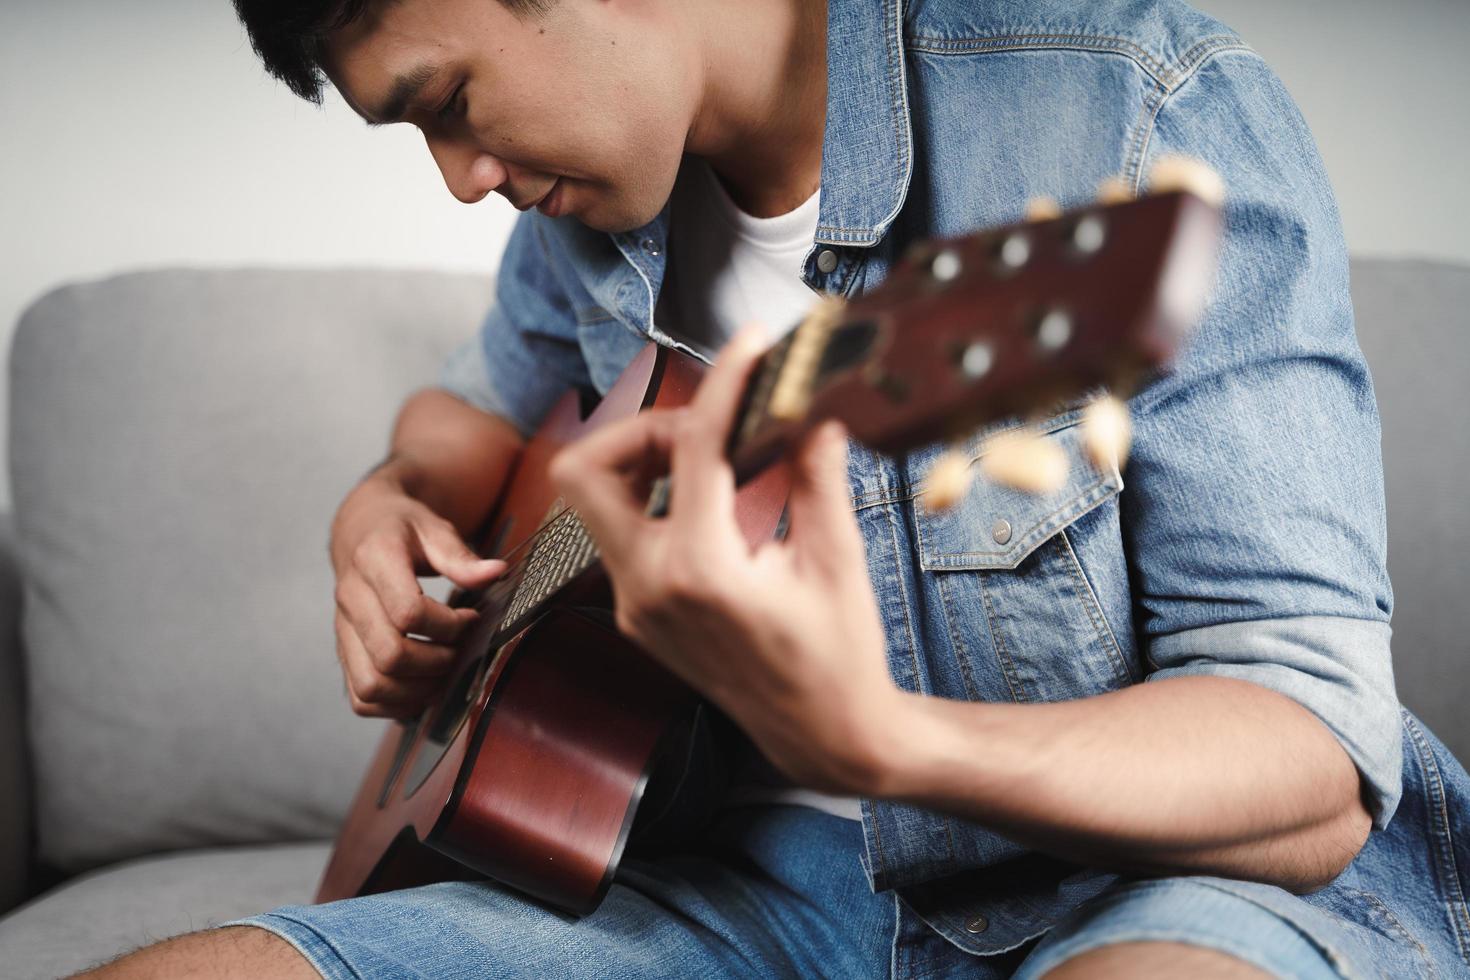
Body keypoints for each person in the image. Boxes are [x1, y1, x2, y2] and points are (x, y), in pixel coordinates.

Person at [85, 0, 1470, 977]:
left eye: (448, 104)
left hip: (1153, 892)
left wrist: (883, 743)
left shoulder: (1133, 106)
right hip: (723, 896)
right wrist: (383, 500)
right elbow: (465, 411)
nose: (461, 183)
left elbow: (1311, 763)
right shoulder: (590, 215)